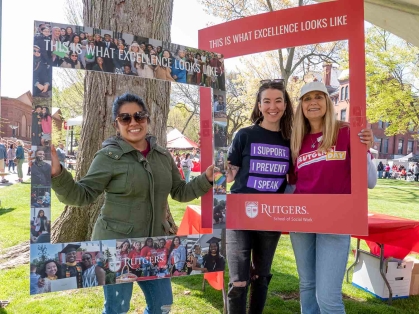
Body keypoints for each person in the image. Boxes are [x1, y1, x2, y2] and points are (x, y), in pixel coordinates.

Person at [50, 93, 214, 314]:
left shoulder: (163, 156)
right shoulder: (108, 156)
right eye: (125, 118)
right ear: (116, 124)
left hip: (155, 247)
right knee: (117, 308)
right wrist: (57, 173)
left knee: (162, 305)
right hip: (117, 248)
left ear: (147, 118)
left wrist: (208, 178)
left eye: (139, 116)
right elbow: (82, 195)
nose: (134, 122)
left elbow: (180, 192)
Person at [289, 81, 377, 314]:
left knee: (327, 297)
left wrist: (365, 149)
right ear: (301, 106)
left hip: (336, 222)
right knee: (307, 286)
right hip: (302, 222)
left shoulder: (346, 132)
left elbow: (370, 182)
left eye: (319, 96)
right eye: (307, 99)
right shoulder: (297, 140)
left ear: (327, 102)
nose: (313, 102)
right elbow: (292, 183)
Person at [225, 79, 294, 314]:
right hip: (239, 215)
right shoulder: (244, 135)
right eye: (267, 101)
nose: (272, 106)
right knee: (238, 281)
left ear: (285, 105)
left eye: (278, 101)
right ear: (259, 104)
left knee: (261, 278)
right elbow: (230, 174)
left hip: (270, 216)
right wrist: (220, 170)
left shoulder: (291, 139)